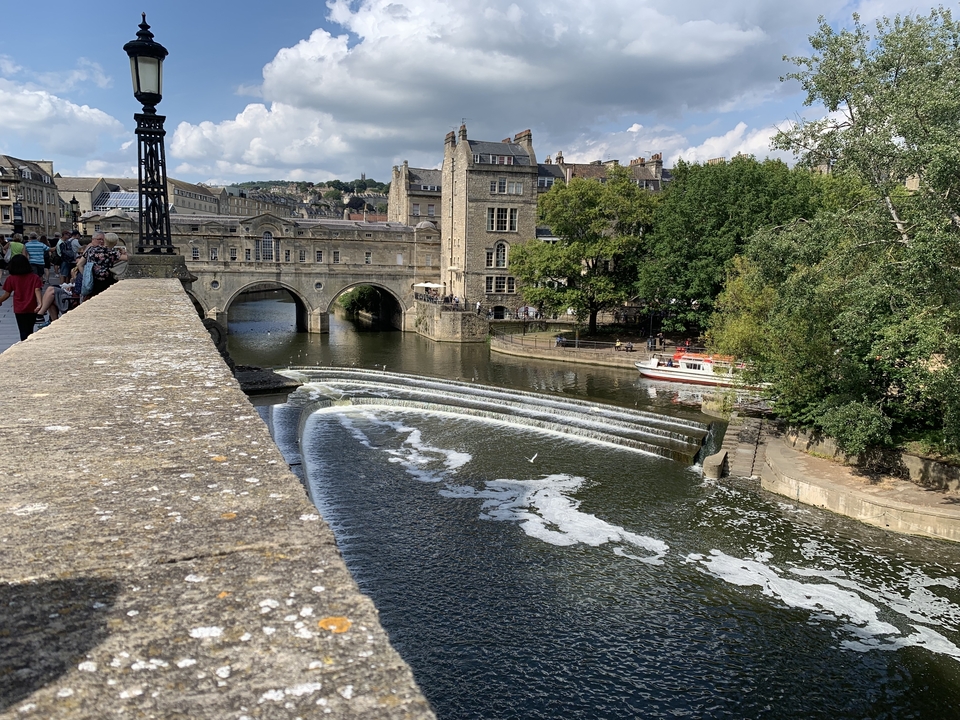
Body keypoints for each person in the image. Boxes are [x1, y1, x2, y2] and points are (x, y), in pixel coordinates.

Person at [0, 254, 44, 341]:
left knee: (22, 329)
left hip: (19, 307)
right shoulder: (34, 277)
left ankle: (24, 343)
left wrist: (0, 300)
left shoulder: (11, 279)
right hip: (32, 306)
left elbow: (7, 294)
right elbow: (37, 290)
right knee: (30, 328)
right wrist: (40, 303)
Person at [77, 232, 128, 299]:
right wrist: (124, 252)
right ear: (115, 243)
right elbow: (128, 258)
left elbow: (79, 264)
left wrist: (87, 277)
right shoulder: (110, 252)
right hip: (105, 281)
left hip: (93, 281)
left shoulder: (90, 249)